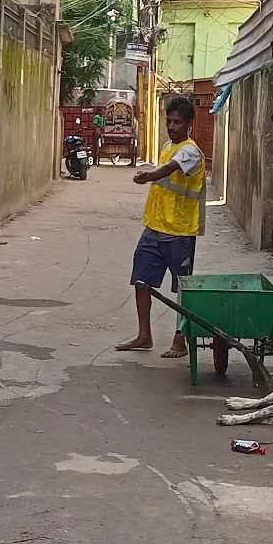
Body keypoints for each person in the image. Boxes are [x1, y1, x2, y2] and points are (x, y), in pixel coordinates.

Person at [116, 94, 206, 357]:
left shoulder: (191, 151)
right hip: (154, 228)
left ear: (189, 123)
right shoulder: (168, 146)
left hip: (179, 232)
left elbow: (169, 169)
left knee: (183, 290)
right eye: (169, 121)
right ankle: (144, 336)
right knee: (141, 281)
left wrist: (148, 175)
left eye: (177, 122)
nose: (171, 126)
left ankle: (181, 339)